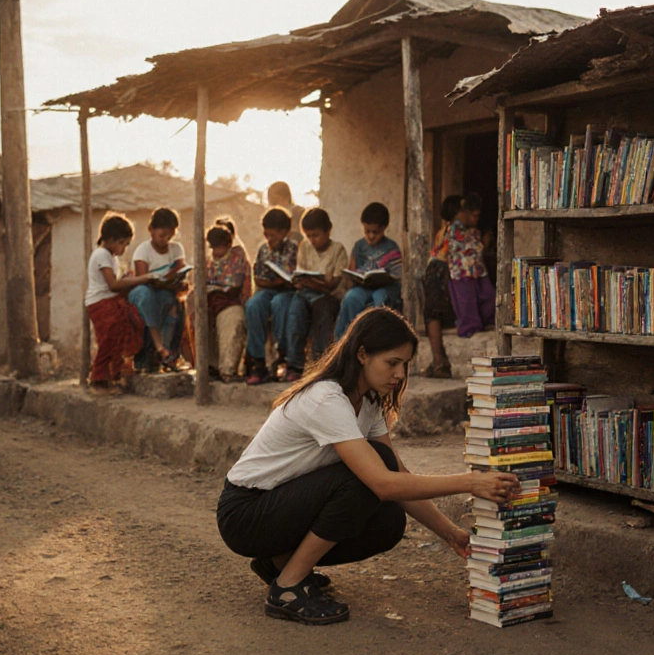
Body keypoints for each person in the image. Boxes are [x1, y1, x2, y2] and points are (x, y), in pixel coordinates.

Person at [216, 307, 520, 625]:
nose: (401, 374)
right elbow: (382, 482)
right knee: (369, 476)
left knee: (388, 523)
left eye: (405, 365)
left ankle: (280, 562)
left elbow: (399, 478)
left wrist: (451, 534)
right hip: (245, 513)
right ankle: (288, 586)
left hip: (278, 508)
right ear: (362, 354)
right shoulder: (326, 399)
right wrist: (471, 482)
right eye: (392, 363)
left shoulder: (368, 401)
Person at [85, 213, 154, 395]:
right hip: (101, 303)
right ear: (113, 240)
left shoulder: (111, 258)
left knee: (117, 339)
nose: (124, 248)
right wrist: (140, 279)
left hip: (109, 301)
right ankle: (98, 381)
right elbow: (113, 285)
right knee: (108, 341)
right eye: (123, 244)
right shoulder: (101, 255)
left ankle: (112, 378)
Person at [283, 207, 347, 382]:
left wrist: (314, 283)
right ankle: (294, 363)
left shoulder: (338, 250)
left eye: (316, 235)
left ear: (328, 230)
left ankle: (320, 363)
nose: (312, 240)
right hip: (306, 294)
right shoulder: (305, 247)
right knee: (295, 309)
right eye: (308, 235)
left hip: (329, 296)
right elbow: (300, 275)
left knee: (323, 309)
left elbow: (333, 283)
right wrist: (305, 282)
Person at [129, 207, 188, 372]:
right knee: (147, 296)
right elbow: (142, 279)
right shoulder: (143, 249)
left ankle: (167, 353)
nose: (165, 240)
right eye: (162, 235)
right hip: (145, 291)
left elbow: (180, 270)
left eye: (170, 236)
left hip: (165, 292)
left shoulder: (176, 249)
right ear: (151, 230)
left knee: (170, 302)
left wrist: (176, 282)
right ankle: (157, 346)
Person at [244, 207, 298, 385]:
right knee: (253, 304)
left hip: (287, 292)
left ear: (284, 232)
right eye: (266, 235)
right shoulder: (263, 250)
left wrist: (283, 282)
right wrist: (269, 282)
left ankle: (282, 355)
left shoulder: (294, 249)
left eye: (273, 236)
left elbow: (296, 277)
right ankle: (258, 361)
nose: (269, 239)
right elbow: (258, 276)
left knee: (279, 304)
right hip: (267, 289)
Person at [334, 202, 402, 339]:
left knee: (380, 298)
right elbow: (352, 270)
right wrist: (353, 276)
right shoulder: (359, 246)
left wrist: (384, 278)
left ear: (384, 228)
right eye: (367, 231)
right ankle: (347, 339)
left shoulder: (391, 248)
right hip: (363, 287)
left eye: (375, 232)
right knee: (350, 298)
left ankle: (378, 338)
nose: (370, 236)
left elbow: (396, 275)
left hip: (385, 288)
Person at [421, 195, 462, 378]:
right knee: (432, 313)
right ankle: (439, 361)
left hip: (436, 282)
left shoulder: (442, 231)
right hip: (440, 282)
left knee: (431, 314)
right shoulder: (455, 231)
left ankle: (438, 361)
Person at [203, 223, 249, 382]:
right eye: (213, 248)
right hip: (212, 303)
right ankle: (209, 366)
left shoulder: (237, 257)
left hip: (231, 302)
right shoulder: (208, 260)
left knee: (232, 320)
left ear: (228, 244)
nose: (216, 252)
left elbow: (237, 284)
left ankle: (228, 370)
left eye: (219, 247)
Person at [446, 193, 497, 338]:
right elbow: (473, 248)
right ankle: (470, 329)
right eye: (474, 216)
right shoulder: (454, 229)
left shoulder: (472, 231)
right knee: (466, 302)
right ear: (464, 213)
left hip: (478, 270)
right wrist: (485, 243)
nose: (476, 219)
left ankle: (488, 322)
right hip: (461, 272)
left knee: (488, 297)